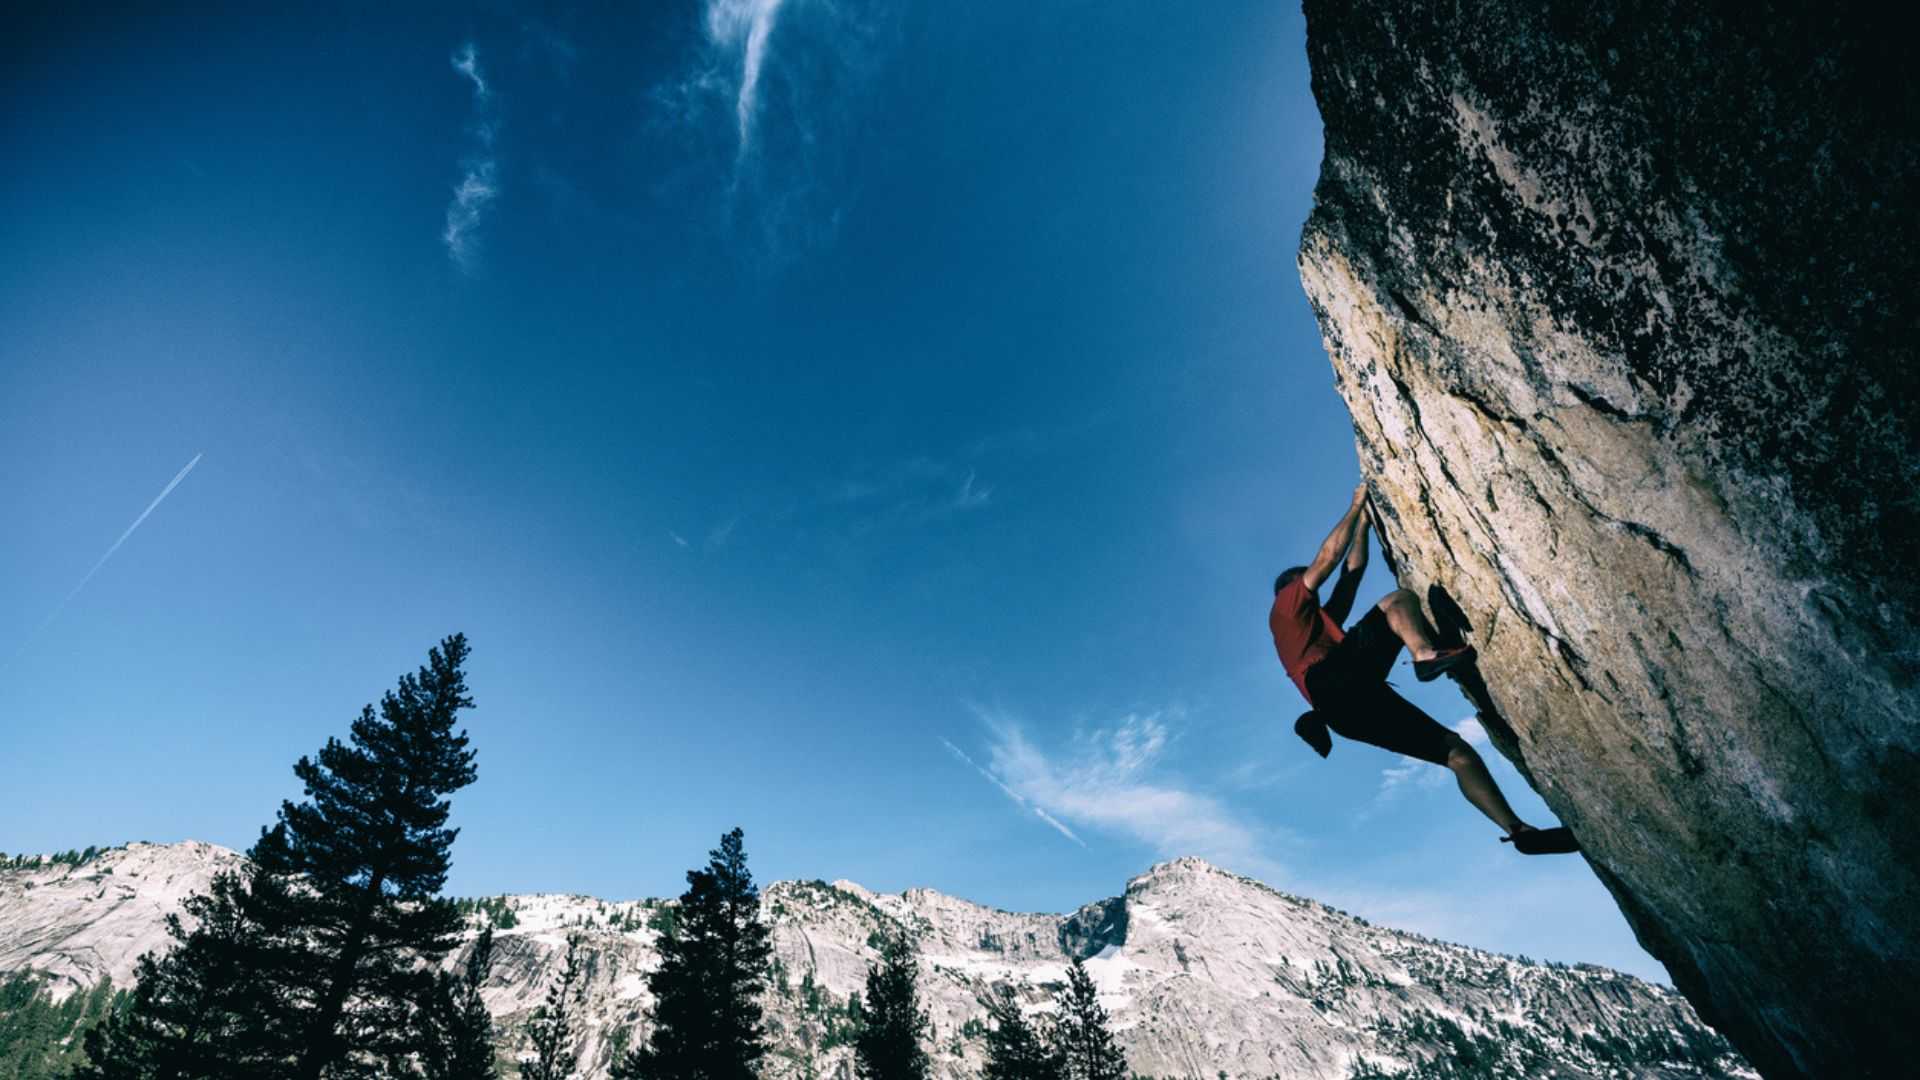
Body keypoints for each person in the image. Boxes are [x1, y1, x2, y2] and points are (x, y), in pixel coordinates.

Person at [1272, 484, 1577, 855]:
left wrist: (1366, 524)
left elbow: (1352, 572)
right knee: (1398, 600)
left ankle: (1520, 832)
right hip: (1335, 683)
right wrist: (1354, 508)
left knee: (1457, 753)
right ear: (1291, 588)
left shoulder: (1316, 623)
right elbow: (1328, 560)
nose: (1315, 591)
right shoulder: (1286, 608)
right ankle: (1424, 655)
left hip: (1347, 711)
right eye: (1308, 586)